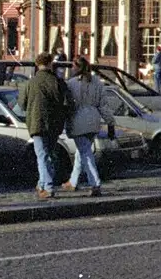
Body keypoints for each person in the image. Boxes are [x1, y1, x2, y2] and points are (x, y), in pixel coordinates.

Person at [16, 51, 71, 200]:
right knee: (49, 155)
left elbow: (21, 104)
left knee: (42, 155)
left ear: (37, 64)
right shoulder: (58, 82)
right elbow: (67, 103)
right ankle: (42, 183)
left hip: (36, 123)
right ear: (50, 63)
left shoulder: (30, 82)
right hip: (54, 124)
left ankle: (48, 187)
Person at [63, 58, 108, 197]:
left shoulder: (71, 84)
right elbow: (103, 105)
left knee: (85, 152)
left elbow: (68, 104)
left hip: (78, 119)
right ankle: (73, 181)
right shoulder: (97, 82)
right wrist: (110, 121)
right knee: (82, 150)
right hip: (94, 118)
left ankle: (95, 183)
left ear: (76, 68)